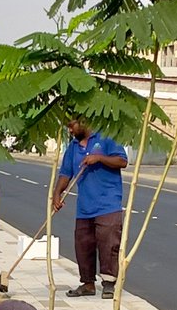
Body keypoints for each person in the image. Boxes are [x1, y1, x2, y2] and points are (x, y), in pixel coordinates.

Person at [52, 117, 128, 299]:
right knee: (83, 245)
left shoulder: (106, 137)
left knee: (108, 243)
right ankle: (87, 284)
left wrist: (99, 158)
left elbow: (122, 161)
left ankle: (109, 283)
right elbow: (65, 173)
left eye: (72, 126)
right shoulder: (72, 148)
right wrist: (57, 194)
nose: (70, 130)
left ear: (83, 121)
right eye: (68, 127)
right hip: (85, 205)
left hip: (108, 203)